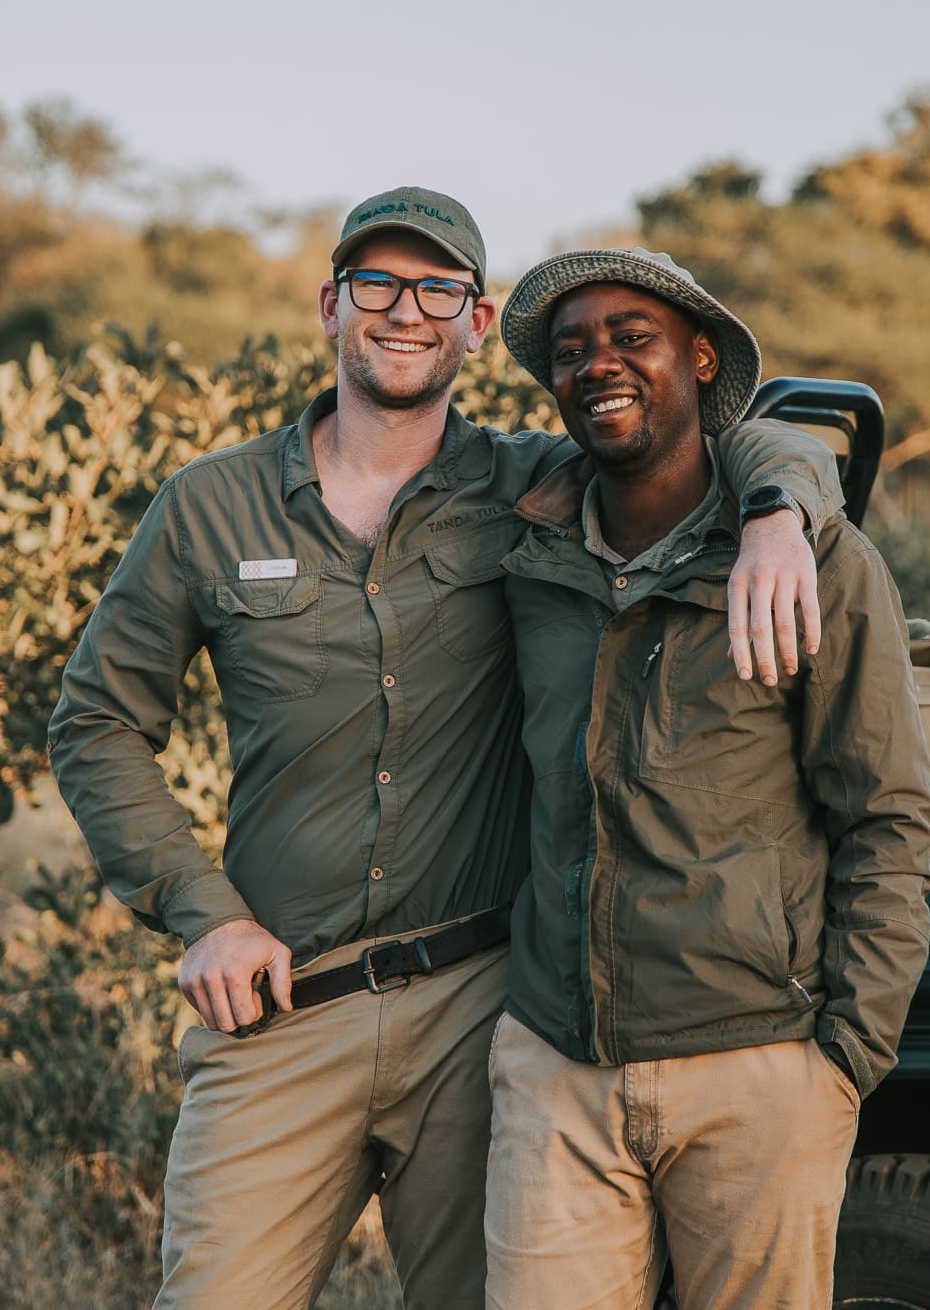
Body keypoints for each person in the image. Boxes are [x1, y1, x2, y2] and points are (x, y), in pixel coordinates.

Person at [46, 190, 842, 1310]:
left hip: (481, 1009)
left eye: (439, 289)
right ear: (331, 306)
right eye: (377, 283)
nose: (404, 311)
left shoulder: (534, 482)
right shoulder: (208, 506)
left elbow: (735, 434)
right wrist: (202, 912)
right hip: (279, 1010)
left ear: (477, 323)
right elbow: (94, 722)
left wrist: (773, 512)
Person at [485, 248, 930, 1308]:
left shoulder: (814, 563)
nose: (597, 363)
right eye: (570, 350)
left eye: (630, 338)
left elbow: (884, 816)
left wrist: (843, 1058)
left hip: (758, 1067)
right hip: (555, 1069)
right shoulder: (525, 556)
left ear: (699, 359)